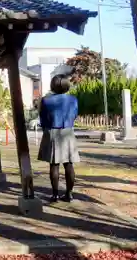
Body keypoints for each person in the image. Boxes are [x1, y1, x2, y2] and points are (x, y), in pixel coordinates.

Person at [37, 74, 79, 202]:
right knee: (69, 164)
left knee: (54, 165)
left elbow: (43, 118)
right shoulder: (73, 99)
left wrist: (46, 127)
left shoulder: (46, 100)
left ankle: (55, 195)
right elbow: (75, 114)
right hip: (68, 131)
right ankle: (69, 193)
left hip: (52, 131)